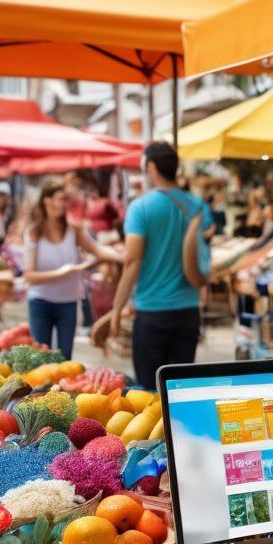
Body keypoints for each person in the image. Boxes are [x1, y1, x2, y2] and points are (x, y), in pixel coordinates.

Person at [110, 142, 213, 389]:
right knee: (179, 391)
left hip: (152, 314)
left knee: (149, 392)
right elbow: (204, 256)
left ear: (152, 167)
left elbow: (132, 262)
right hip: (188, 312)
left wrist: (116, 309)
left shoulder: (141, 207)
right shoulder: (198, 207)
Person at [24, 178, 123, 359]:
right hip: (40, 302)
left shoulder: (73, 230)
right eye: (61, 198)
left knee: (65, 358)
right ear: (47, 201)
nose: (65, 204)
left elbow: (97, 250)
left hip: (68, 303)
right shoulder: (34, 232)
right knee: (39, 358)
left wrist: (124, 255)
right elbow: (29, 276)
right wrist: (62, 272)